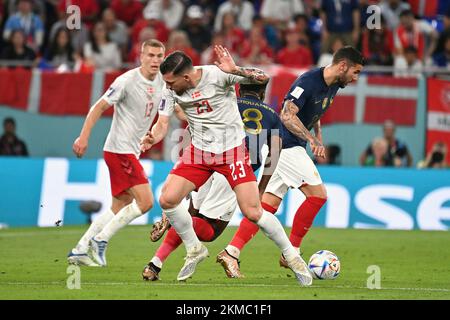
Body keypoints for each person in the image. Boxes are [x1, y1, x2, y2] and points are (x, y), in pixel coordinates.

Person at [140, 47, 312, 285]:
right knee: (167, 199)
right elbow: (162, 123)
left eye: (171, 82)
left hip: (231, 152)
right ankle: (194, 249)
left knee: (253, 211)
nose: (168, 86)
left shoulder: (217, 75)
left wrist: (236, 70)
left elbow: (263, 77)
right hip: (198, 152)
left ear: (187, 77)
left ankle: (293, 257)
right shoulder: (170, 89)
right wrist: (153, 136)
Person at [216, 46, 364, 278]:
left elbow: (314, 112)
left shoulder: (334, 84)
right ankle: (291, 251)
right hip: (286, 145)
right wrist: (312, 140)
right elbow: (287, 115)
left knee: (264, 207)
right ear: (342, 66)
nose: (356, 78)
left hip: (293, 146)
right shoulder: (308, 81)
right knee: (318, 196)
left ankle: (231, 252)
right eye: (355, 72)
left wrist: (318, 134)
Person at [142, 82, 283, 281]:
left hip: (203, 160)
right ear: (262, 93)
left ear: (239, 91)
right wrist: (260, 189)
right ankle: (174, 225)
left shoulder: (224, 104)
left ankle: (154, 264)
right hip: (235, 169)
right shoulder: (271, 115)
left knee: (187, 216)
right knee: (209, 230)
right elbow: (274, 154)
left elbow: (195, 124)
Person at [67, 39, 166, 267]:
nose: (155, 60)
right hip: (119, 150)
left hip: (131, 151)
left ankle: (80, 249)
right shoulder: (126, 81)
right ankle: (101, 240)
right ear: (141, 57)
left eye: (159, 56)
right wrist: (83, 137)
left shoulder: (163, 82)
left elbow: (171, 111)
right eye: (150, 55)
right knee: (146, 201)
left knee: (120, 205)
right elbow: (98, 107)